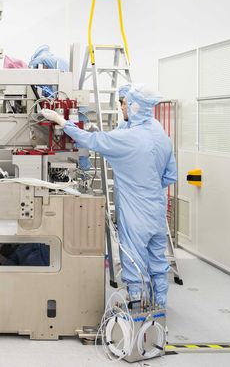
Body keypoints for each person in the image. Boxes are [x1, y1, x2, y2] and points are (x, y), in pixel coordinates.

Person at [41, 84, 177, 308]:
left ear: (134, 107)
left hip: (136, 213)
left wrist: (62, 121)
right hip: (157, 209)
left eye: (124, 103)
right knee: (157, 260)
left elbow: (92, 142)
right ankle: (160, 305)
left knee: (133, 259)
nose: (121, 106)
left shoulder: (130, 138)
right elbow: (169, 176)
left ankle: (136, 306)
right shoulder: (159, 133)